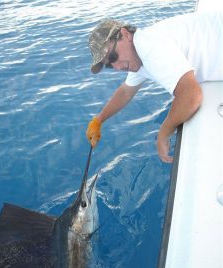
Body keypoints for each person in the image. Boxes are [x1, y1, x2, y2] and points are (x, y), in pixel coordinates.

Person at [86, 12, 223, 163]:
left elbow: (191, 95)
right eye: (109, 65)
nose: (117, 67)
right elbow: (125, 91)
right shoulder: (136, 55)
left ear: (125, 34)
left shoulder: (150, 48)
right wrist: (99, 120)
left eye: (113, 57)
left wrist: (163, 134)